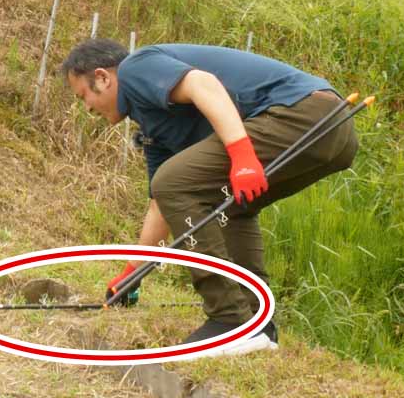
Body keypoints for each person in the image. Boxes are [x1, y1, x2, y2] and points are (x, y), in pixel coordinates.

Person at [60, 39, 359, 351]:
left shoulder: (137, 68)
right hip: (334, 132)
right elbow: (163, 202)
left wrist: (242, 155)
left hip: (304, 114)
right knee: (230, 206)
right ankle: (257, 325)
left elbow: (203, 84)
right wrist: (132, 273)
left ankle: (229, 320)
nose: (87, 108)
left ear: (103, 78)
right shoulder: (153, 125)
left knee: (175, 182)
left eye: (83, 95)